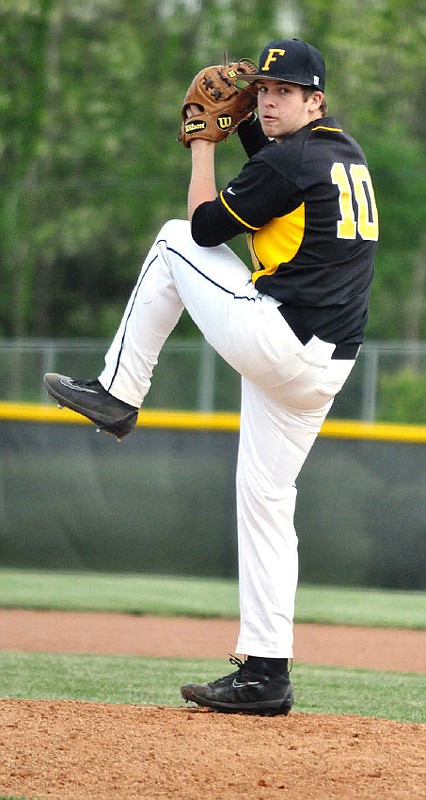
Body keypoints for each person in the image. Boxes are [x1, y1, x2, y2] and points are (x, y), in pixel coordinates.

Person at [43, 38, 379, 716]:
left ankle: (118, 392)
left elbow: (203, 229)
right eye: (264, 90)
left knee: (171, 238)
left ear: (316, 99)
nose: (268, 99)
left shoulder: (295, 157)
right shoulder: (342, 153)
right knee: (265, 500)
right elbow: (277, 172)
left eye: (284, 91)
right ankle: (265, 673)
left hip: (281, 339)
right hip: (326, 364)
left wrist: (202, 144)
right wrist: (248, 128)